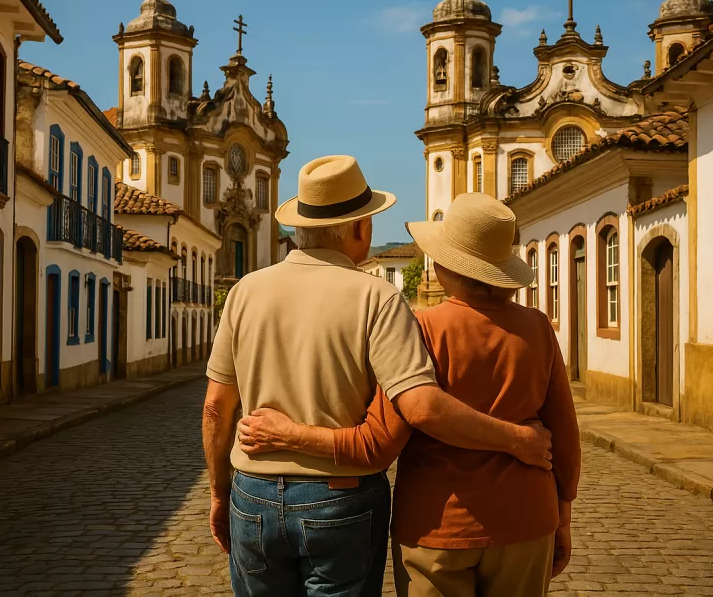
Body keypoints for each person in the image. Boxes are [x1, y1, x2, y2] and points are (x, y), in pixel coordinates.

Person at [202, 156, 554, 597]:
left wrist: (219, 491)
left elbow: (217, 406)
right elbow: (419, 406)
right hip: (340, 495)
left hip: (251, 493)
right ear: (360, 229)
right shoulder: (379, 297)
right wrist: (517, 439)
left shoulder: (243, 292)